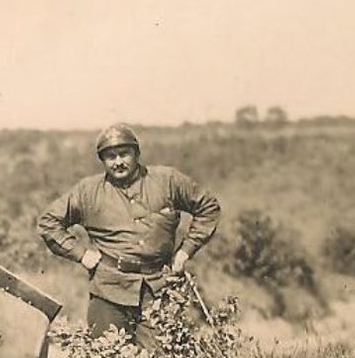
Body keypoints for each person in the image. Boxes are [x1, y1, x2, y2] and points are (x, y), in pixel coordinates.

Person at [37, 123, 222, 342]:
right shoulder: (88, 191)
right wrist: (81, 253)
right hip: (109, 290)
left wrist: (185, 251)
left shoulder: (167, 181)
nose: (118, 162)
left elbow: (208, 206)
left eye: (124, 154)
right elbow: (48, 221)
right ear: (103, 161)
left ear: (136, 153)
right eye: (110, 157)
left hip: (159, 286)